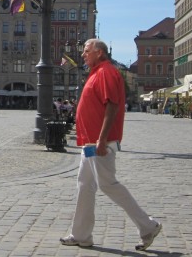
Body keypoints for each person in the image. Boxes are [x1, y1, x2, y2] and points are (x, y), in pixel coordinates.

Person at [61, 39, 162, 251]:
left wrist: (102, 138)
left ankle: (148, 226)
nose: (83, 54)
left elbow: (112, 106)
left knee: (108, 184)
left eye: (87, 51)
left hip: (99, 142)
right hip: (90, 142)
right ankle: (81, 235)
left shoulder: (106, 72)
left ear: (99, 52)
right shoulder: (97, 72)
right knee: (84, 185)